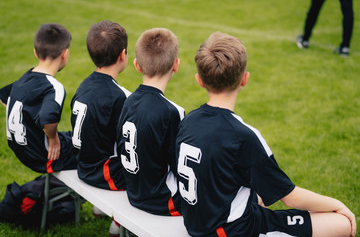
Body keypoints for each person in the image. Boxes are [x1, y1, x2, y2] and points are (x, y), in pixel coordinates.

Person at [176, 32, 356, 237]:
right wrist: (339, 205)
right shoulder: (242, 136)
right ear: (244, 79)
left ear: (199, 80)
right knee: (341, 223)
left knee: (260, 193)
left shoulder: (188, 121)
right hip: (234, 230)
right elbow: (291, 198)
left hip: (198, 223)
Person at [70, 20, 130, 237]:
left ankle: (98, 207)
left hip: (82, 164)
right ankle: (118, 223)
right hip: (102, 173)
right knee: (143, 166)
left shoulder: (84, 85)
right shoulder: (119, 96)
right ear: (122, 55)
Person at [117, 28, 184, 216]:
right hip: (162, 200)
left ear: (137, 65)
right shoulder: (172, 112)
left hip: (134, 191)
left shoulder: (127, 101)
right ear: (176, 65)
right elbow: (181, 166)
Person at [0, 23, 76, 174]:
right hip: (43, 155)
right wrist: (53, 139)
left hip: (21, 148)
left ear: (35, 52)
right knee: (92, 147)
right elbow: (47, 118)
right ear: (65, 54)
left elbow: (3, 96)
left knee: (72, 137)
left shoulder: (24, 79)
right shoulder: (54, 87)